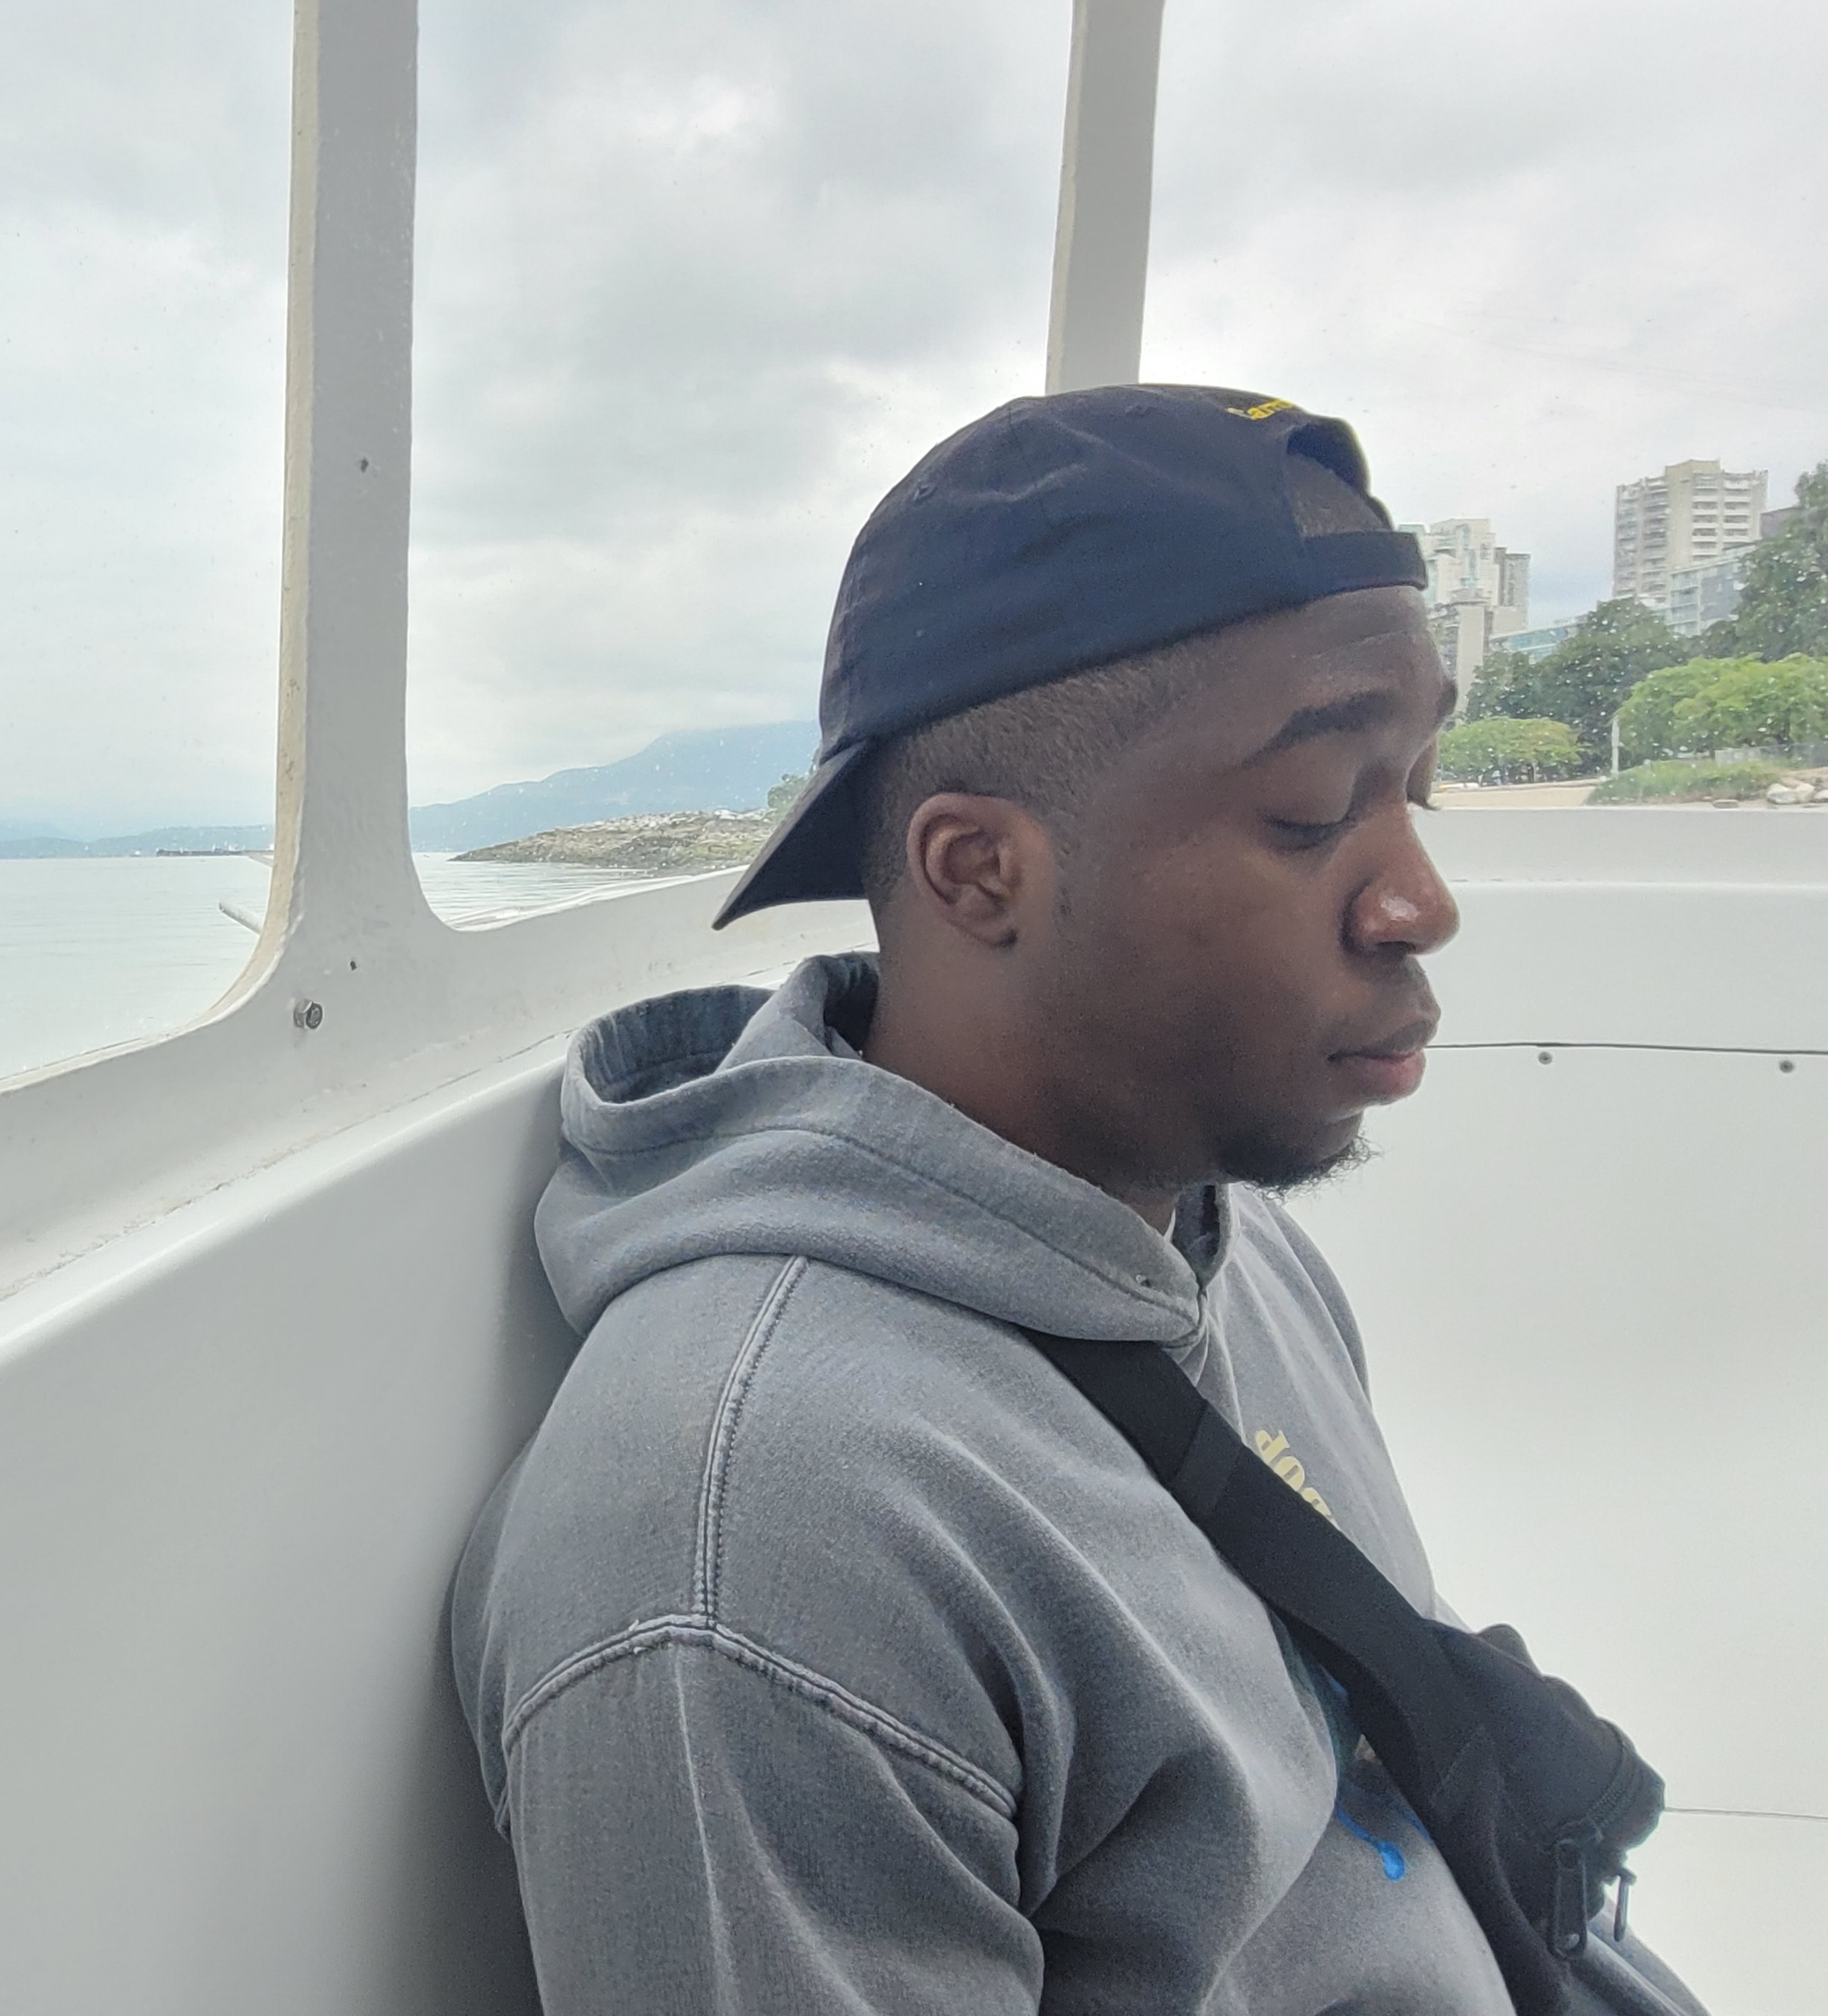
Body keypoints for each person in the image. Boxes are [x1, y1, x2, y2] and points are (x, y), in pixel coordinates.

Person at [448, 388, 1701, 2013]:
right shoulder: (754, 1545)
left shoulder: (1205, 1240)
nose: (1418, 899)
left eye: (1419, 788)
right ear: (978, 871)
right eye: (1312, 813)